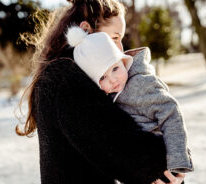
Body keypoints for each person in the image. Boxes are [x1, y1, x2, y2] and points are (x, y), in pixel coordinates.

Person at [16, 0, 186, 184]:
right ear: (86, 30)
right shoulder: (63, 79)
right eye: (114, 38)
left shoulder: (72, 76)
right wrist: (169, 157)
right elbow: (117, 146)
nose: (120, 48)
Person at [65, 26, 194, 175]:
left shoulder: (140, 84)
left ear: (123, 61)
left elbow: (171, 112)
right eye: (102, 77)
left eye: (115, 69)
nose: (113, 80)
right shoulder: (110, 95)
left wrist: (177, 160)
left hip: (163, 164)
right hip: (140, 166)